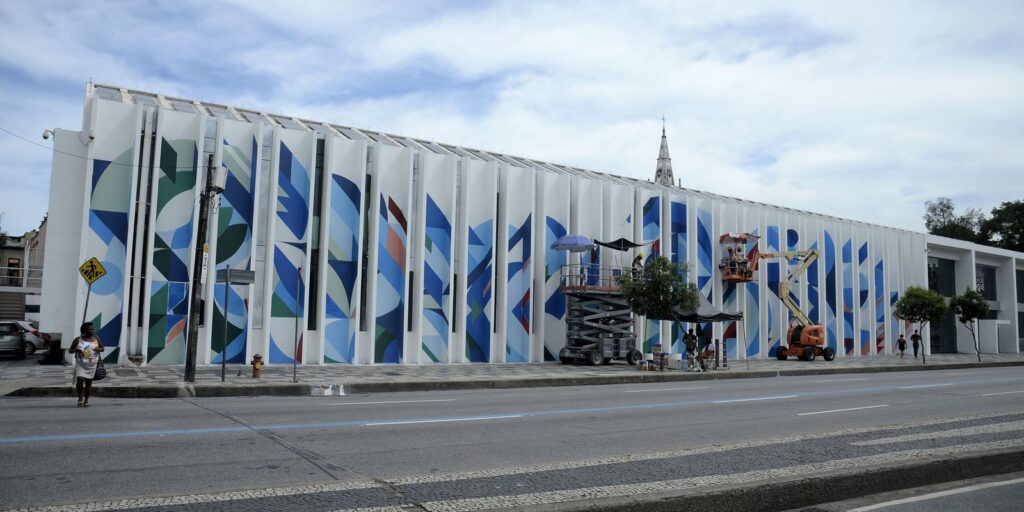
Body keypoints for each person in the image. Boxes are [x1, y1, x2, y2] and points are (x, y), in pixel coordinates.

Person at [69, 322, 104, 407]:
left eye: (93, 329)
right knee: (80, 379)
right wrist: (76, 350)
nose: (92, 331)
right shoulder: (78, 339)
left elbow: (102, 348)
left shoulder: (96, 338)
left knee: (89, 383)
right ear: (85, 330)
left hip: (92, 365)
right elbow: (70, 350)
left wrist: (98, 349)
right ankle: (80, 398)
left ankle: (86, 401)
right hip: (81, 363)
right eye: (90, 329)